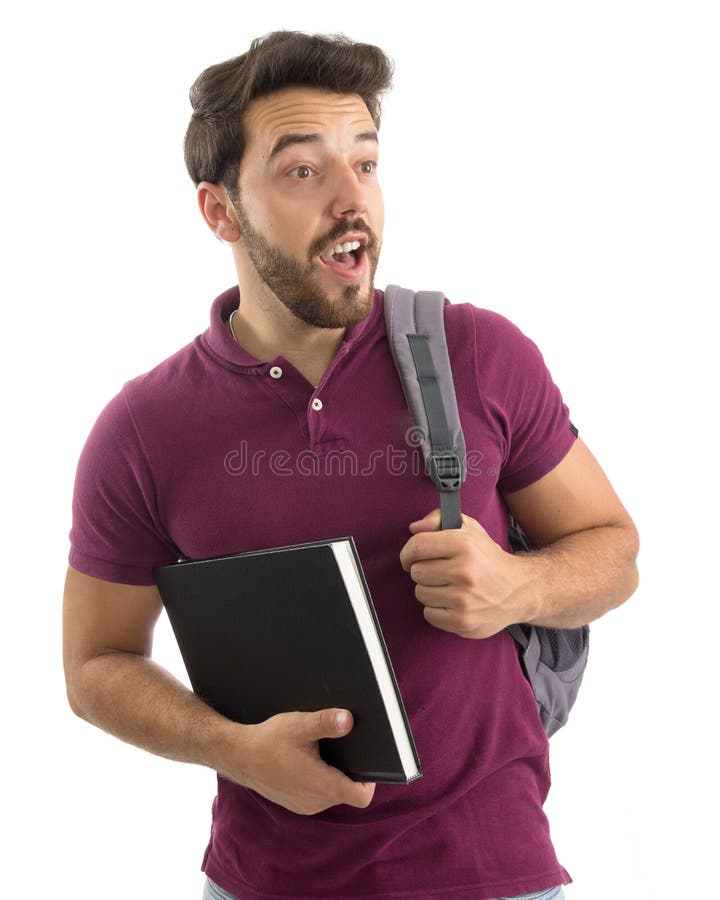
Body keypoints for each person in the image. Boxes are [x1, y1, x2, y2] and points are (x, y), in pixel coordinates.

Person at [63, 30, 639, 900]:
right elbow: (95, 664)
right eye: (304, 171)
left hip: (497, 874)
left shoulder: (477, 352)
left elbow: (615, 548)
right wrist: (229, 747)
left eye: (365, 163)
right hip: (264, 883)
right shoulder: (143, 429)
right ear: (220, 212)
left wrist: (518, 587)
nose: (351, 199)